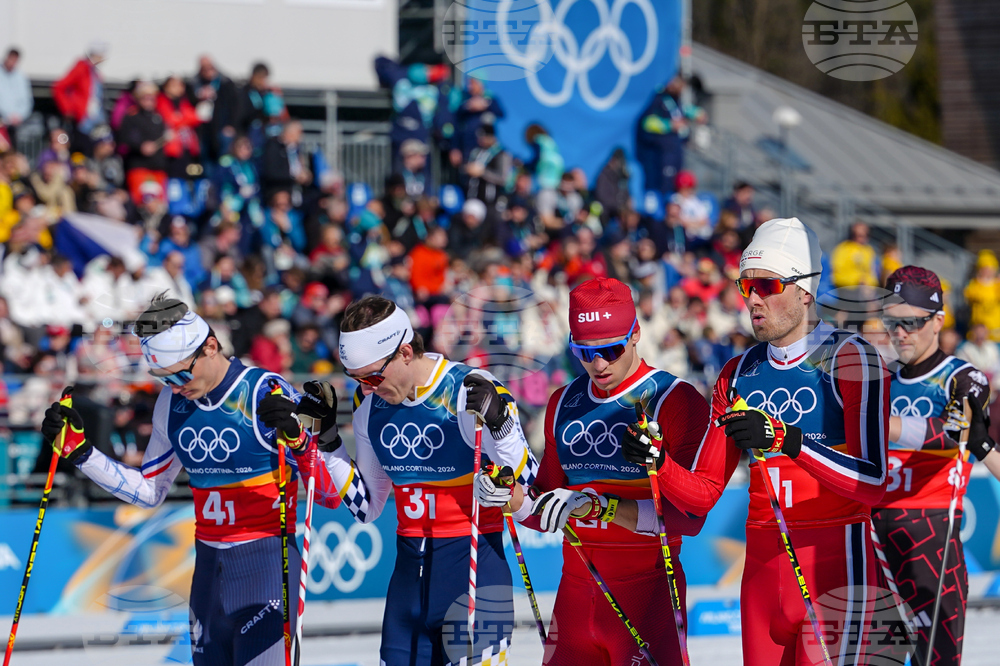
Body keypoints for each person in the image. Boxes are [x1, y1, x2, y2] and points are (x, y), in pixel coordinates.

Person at [632, 217, 890, 665]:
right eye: (745, 285)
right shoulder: (738, 373)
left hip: (835, 567)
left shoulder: (850, 357)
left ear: (805, 290)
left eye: (766, 286)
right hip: (762, 575)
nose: (752, 298)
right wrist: (658, 462)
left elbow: (873, 482)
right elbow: (703, 493)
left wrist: (789, 440)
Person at [270, 295, 538, 664]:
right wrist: (328, 440)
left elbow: (530, 490)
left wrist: (502, 427)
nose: (366, 389)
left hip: (475, 581)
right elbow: (367, 507)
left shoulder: (467, 391)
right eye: (355, 379)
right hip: (407, 593)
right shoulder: (370, 409)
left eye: (372, 377)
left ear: (406, 352)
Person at [42, 294, 305, 665]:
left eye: (181, 374)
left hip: (266, 569)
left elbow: (325, 490)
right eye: (163, 378)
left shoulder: (264, 391)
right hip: (209, 578)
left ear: (210, 346)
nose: (176, 385)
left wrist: (306, 438)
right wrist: (81, 453)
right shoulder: (172, 402)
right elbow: (150, 491)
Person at [488, 276, 706, 665]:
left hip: (647, 596)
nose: (598, 364)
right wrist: (510, 496)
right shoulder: (564, 401)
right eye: (584, 352)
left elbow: (689, 519)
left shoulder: (674, 400)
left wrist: (601, 508)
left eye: (611, 349)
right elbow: (544, 510)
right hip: (574, 599)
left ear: (635, 334)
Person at [872, 266, 1000, 665]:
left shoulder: (961, 377)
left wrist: (881, 423)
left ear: (939, 321)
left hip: (931, 538)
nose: (899, 333)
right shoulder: (879, 380)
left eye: (911, 322)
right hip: (871, 535)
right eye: (891, 322)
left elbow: (954, 433)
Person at [52, 42, 109, 155]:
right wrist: (68, 109)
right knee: (80, 151)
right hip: (82, 121)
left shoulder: (94, 72)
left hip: (95, 121)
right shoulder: (81, 68)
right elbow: (59, 87)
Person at [0, 48, 33, 150]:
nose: (12, 63)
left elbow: (27, 100)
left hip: (16, 124)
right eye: (11, 59)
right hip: (2, 121)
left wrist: (19, 115)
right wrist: (7, 115)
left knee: (12, 150)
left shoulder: (21, 77)